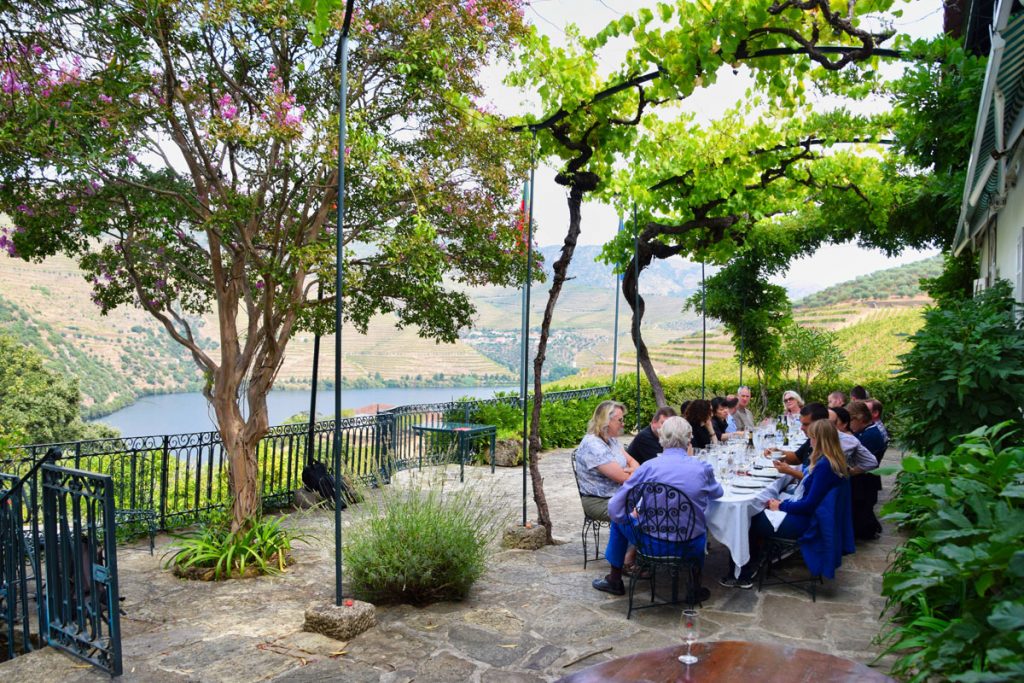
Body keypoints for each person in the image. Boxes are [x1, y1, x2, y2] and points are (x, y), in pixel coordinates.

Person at [592, 417, 723, 597]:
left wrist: (629, 519)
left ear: (661, 438)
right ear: (689, 439)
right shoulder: (702, 468)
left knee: (618, 523)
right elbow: (718, 494)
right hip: (689, 545)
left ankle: (614, 580)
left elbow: (615, 506)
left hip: (651, 543)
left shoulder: (648, 468)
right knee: (700, 528)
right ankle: (694, 586)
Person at [723, 419, 850, 588]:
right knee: (760, 505)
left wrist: (780, 506)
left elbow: (808, 505)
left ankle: (742, 573)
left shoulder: (824, 467)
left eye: (811, 438)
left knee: (746, 517)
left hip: (806, 522)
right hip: (812, 517)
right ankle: (754, 561)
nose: (809, 442)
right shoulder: (831, 461)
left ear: (819, 440)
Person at [575, 400, 639, 522]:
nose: (623, 424)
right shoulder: (593, 445)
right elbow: (624, 478)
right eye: (620, 420)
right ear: (606, 421)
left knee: (654, 504)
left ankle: (631, 541)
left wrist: (629, 470)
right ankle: (632, 541)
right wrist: (631, 471)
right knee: (644, 511)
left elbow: (633, 462)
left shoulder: (610, 439)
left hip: (620, 496)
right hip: (599, 501)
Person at [847, 400, 885, 540]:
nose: (848, 425)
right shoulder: (866, 431)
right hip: (865, 481)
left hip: (864, 482)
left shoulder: (870, 435)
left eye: (850, 420)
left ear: (859, 419)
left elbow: (859, 460)